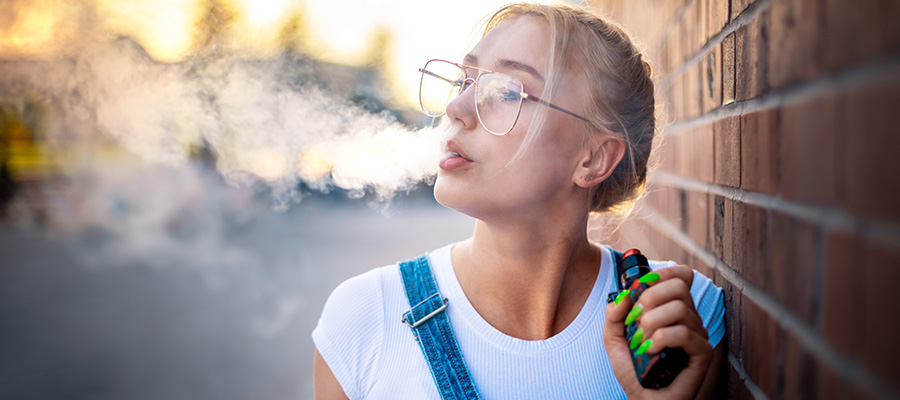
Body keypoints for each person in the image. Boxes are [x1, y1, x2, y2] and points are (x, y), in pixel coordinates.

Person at [313, 3, 726, 399]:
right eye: (465, 82)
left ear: (594, 158)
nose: (456, 107)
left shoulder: (677, 323)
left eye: (507, 92)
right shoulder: (366, 318)